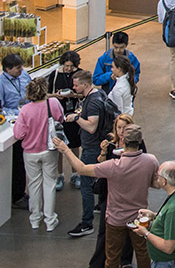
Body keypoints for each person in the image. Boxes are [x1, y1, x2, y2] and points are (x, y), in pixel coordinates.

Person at [56, 125, 158, 268]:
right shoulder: (150, 161)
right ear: (140, 141)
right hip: (140, 220)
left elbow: (82, 169)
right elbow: (155, 183)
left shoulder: (113, 166)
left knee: (112, 258)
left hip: (115, 219)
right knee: (142, 255)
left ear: (123, 140)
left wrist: (65, 150)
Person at [77, 113, 142, 268]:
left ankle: (125, 260)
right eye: (119, 127)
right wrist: (104, 152)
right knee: (104, 231)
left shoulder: (137, 145)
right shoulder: (111, 142)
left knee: (130, 229)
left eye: (124, 128)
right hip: (110, 193)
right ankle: (96, 266)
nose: (121, 131)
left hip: (129, 194)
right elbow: (100, 164)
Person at [12, 77, 64, 231]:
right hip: (49, 150)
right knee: (49, 183)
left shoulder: (25, 110)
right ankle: (50, 219)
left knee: (33, 185)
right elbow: (60, 118)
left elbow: (19, 133)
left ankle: (35, 218)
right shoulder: (52, 103)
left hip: (30, 152)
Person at [66, 69, 106, 238]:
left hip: (92, 148)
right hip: (95, 146)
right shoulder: (99, 94)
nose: (74, 88)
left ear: (85, 84)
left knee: (86, 185)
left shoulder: (93, 102)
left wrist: (76, 119)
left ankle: (86, 223)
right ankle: (99, 208)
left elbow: (91, 127)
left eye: (76, 85)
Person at [47, 50, 83, 191]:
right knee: (58, 146)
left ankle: (75, 174)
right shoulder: (55, 74)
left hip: (74, 114)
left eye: (71, 66)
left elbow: (85, 92)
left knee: (75, 145)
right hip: (58, 115)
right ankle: (59, 175)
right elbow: (47, 93)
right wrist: (55, 95)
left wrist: (75, 95)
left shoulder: (80, 74)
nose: (68, 69)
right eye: (66, 65)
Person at [2, 53, 31, 208]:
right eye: (18, 68)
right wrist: (19, 113)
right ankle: (16, 196)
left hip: (29, 121)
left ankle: (21, 193)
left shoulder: (24, 75)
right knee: (17, 161)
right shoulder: (1, 83)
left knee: (25, 159)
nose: (22, 70)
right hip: (14, 123)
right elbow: (2, 108)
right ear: (8, 69)